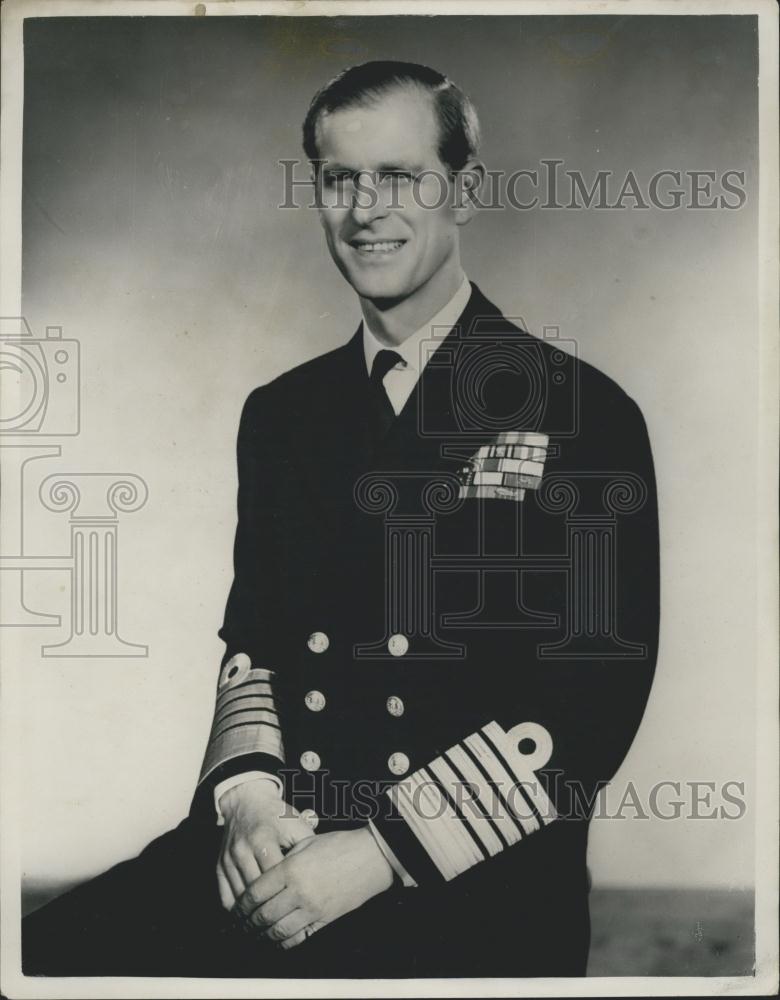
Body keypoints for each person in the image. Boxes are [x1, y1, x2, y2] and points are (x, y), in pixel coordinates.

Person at [23, 60, 659, 979]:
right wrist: (245, 802)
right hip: (276, 849)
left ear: (463, 192)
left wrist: (378, 853)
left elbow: (594, 704)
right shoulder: (281, 415)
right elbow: (255, 644)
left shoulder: (581, 413)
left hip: (468, 893)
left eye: (400, 176)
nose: (368, 209)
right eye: (339, 179)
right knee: (42, 958)